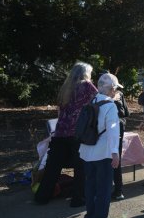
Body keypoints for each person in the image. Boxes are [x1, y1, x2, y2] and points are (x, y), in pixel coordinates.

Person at [35, 62, 98, 207]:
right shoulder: (87, 85)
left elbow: (60, 110)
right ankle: (78, 199)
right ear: (85, 73)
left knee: (53, 167)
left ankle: (42, 197)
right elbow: (98, 100)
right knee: (80, 167)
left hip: (60, 131)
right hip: (76, 133)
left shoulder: (65, 88)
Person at [79, 73, 121, 218]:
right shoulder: (110, 106)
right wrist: (115, 153)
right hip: (103, 153)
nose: (115, 92)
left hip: (87, 151)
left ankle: (89, 217)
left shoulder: (92, 101)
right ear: (111, 89)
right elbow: (112, 132)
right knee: (103, 188)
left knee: (90, 187)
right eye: (115, 89)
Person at [112, 87, 129, 201]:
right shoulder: (120, 94)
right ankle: (118, 190)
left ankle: (115, 190)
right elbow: (126, 112)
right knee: (116, 159)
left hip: (111, 128)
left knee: (111, 159)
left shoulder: (100, 95)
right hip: (120, 126)